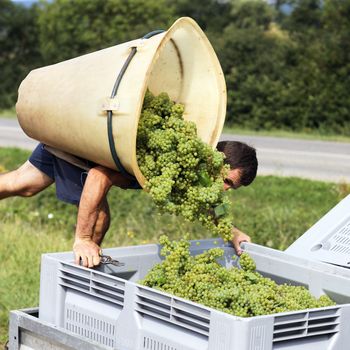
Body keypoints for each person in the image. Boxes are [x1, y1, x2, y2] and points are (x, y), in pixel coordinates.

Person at [0, 140, 257, 267]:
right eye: (227, 180)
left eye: (231, 187)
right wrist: (83, 238)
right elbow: (99, 176)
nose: (224, 189)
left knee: (22, 185)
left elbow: (209, 203)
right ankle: (82, 278)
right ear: (215, 160)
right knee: (99, 220)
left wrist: (232, 232)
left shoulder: (197, 173)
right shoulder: (173, 165)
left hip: (60, 137)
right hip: (78, 146)